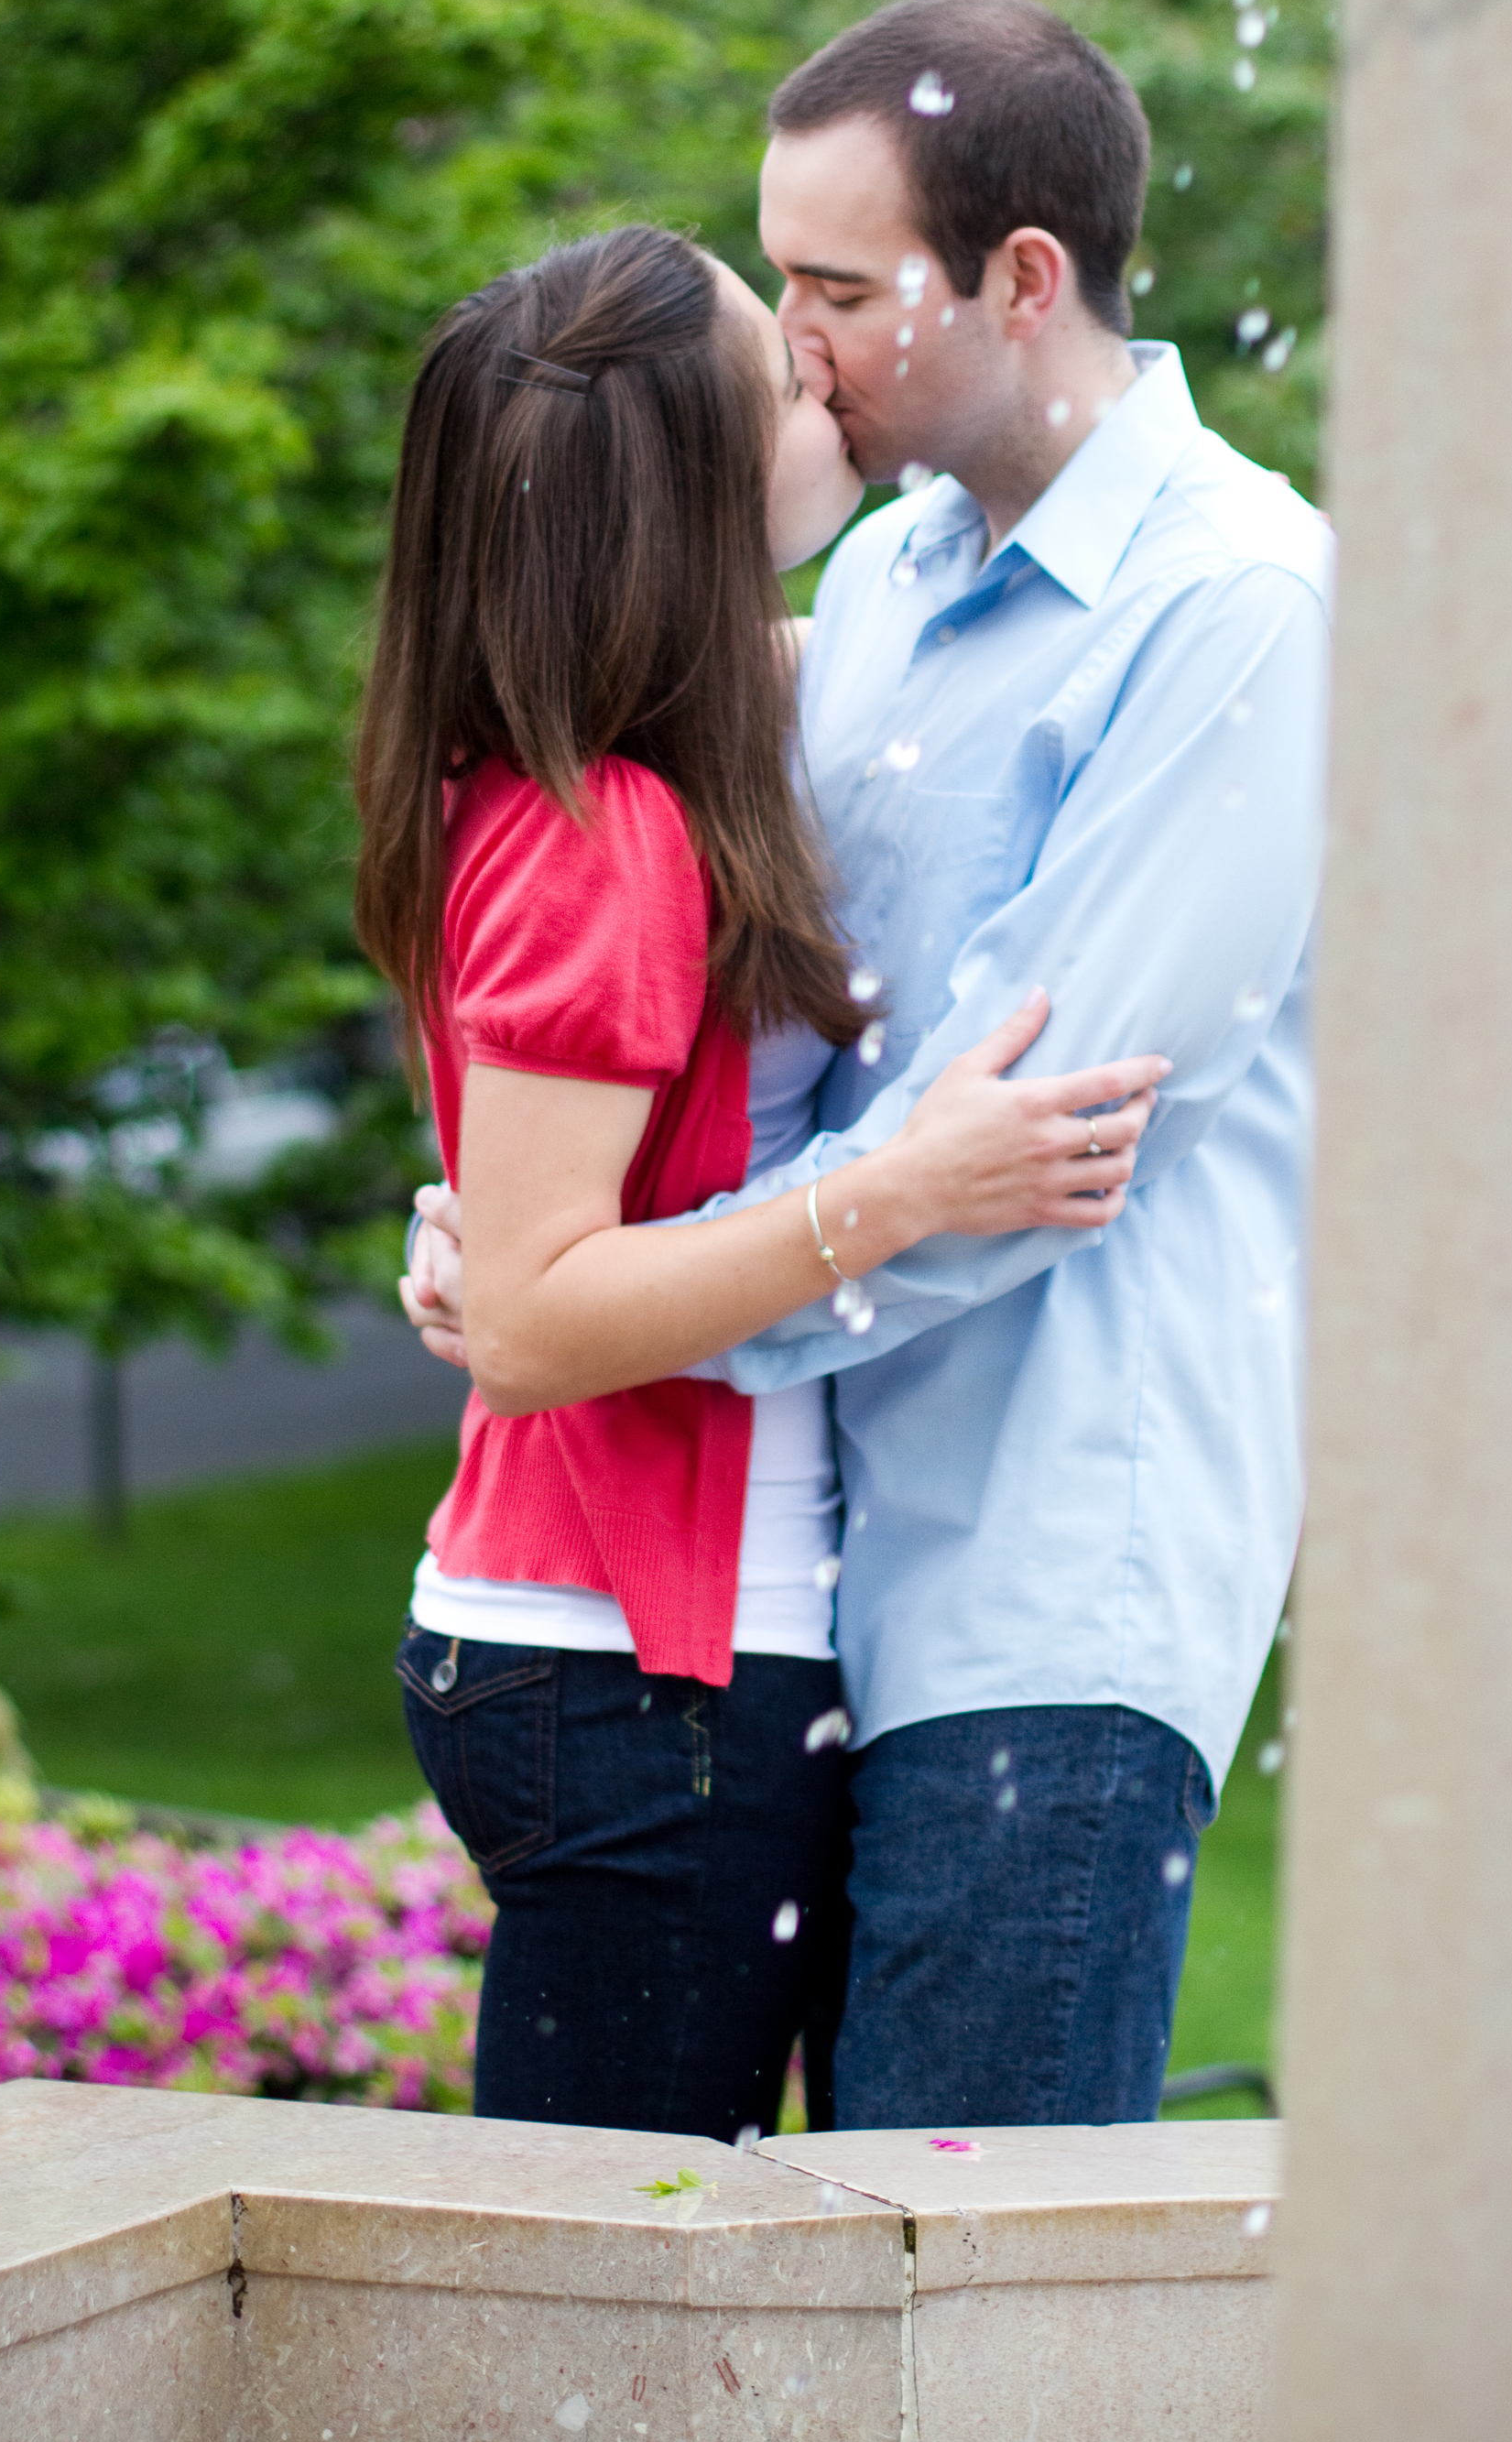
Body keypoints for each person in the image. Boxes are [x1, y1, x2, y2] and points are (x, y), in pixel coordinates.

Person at [408, 0, 1333, 2131]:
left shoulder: (1239, 612)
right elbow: (644, 997)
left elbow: (1011, 1152)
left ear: (1020, 282)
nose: (792, 350)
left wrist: (591, 1313)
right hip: (792, 1600)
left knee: (957, 2311)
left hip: (1041, 1596)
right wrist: (523, 1229)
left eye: (833, 291)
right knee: (767, 2314)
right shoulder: (892, 583)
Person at [351, 218, 1169, 2145]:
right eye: (779, 374)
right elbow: (542, 1323)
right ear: (691, 497)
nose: (826, 366)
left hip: (639, 1664)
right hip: (635, 1678)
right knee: (609, 2314)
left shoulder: (621, 758)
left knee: (660, 2289)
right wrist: (911, 1186)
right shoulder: (605, 835)